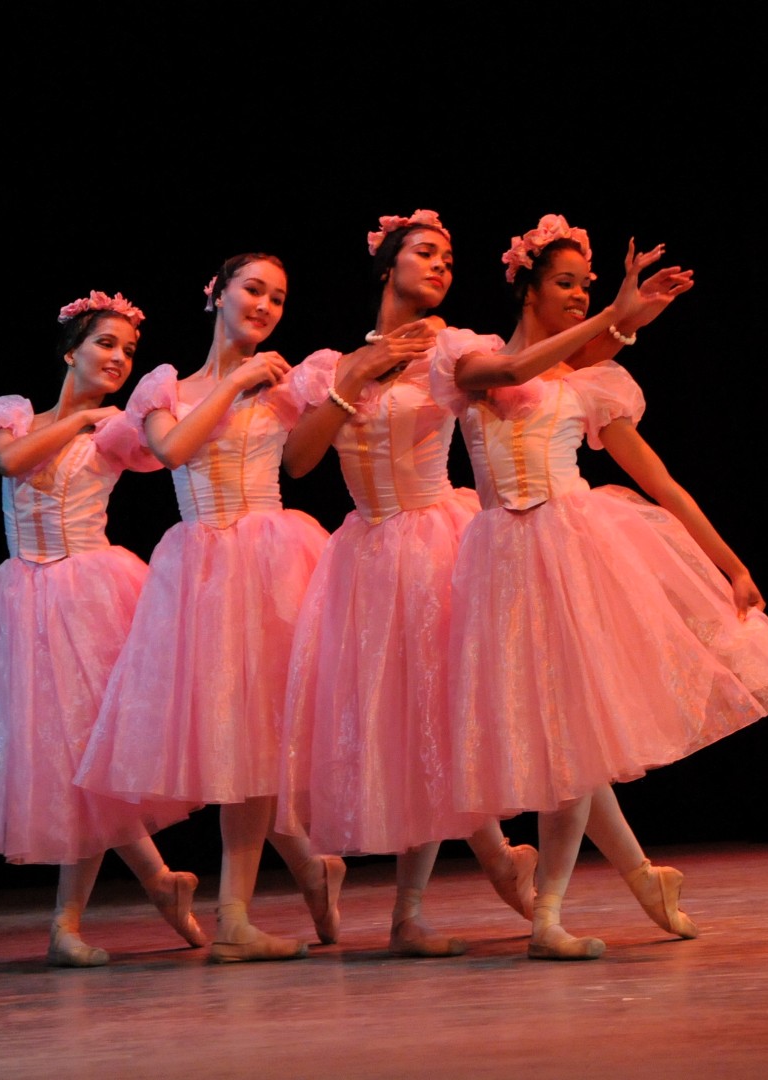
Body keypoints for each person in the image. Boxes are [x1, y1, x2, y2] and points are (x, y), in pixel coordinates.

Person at [434, 216, 768, 960]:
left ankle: (549, 915)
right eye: (564, 283)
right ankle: (641, 877)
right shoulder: (471, 360)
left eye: (587, 287)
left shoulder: (593, 387)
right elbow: (513, 374)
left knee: (573, 738)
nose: (579, 295)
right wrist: (618, 319)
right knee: (561, 742)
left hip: (575, 557)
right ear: (527, 285)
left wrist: (732, 565)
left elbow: (661, 482)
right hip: (499, 563)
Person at [0, 290, 208, 968]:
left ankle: (77, 919)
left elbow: (173, 447)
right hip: (24, 602)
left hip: (95, 596)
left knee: (93, 759)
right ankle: (150, 887)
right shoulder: (11, 415)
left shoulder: (115, 430)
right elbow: (9, 462)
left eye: (128, 352)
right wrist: (79, 423)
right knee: (68, 763)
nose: (118, 359)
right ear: (71, 350)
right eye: (106, 345)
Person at [275, 210, 540, 958]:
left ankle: (423, 900)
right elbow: (297, 463)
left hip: (436, 536)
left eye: (449, 258)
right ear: (387, 265)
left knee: (442, 710)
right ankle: (455, 881)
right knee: (402, 720)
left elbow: (512, 378)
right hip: (366, 551)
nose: (440, 266)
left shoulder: (452, 349)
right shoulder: (331, 364)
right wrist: (351, 381)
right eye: (425, 253)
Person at [76, 256, 343, 963]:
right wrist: (233, 382)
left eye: (277, 298)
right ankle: (273, 894)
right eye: (252, 290)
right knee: (234, 737)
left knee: (261, 739)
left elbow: (305, 458)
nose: (264, 305)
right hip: (203, 570)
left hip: (275, 559)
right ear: (216, 294)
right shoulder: (167, 386)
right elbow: (171, 451)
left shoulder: (286, 382)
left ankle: (242, 912)